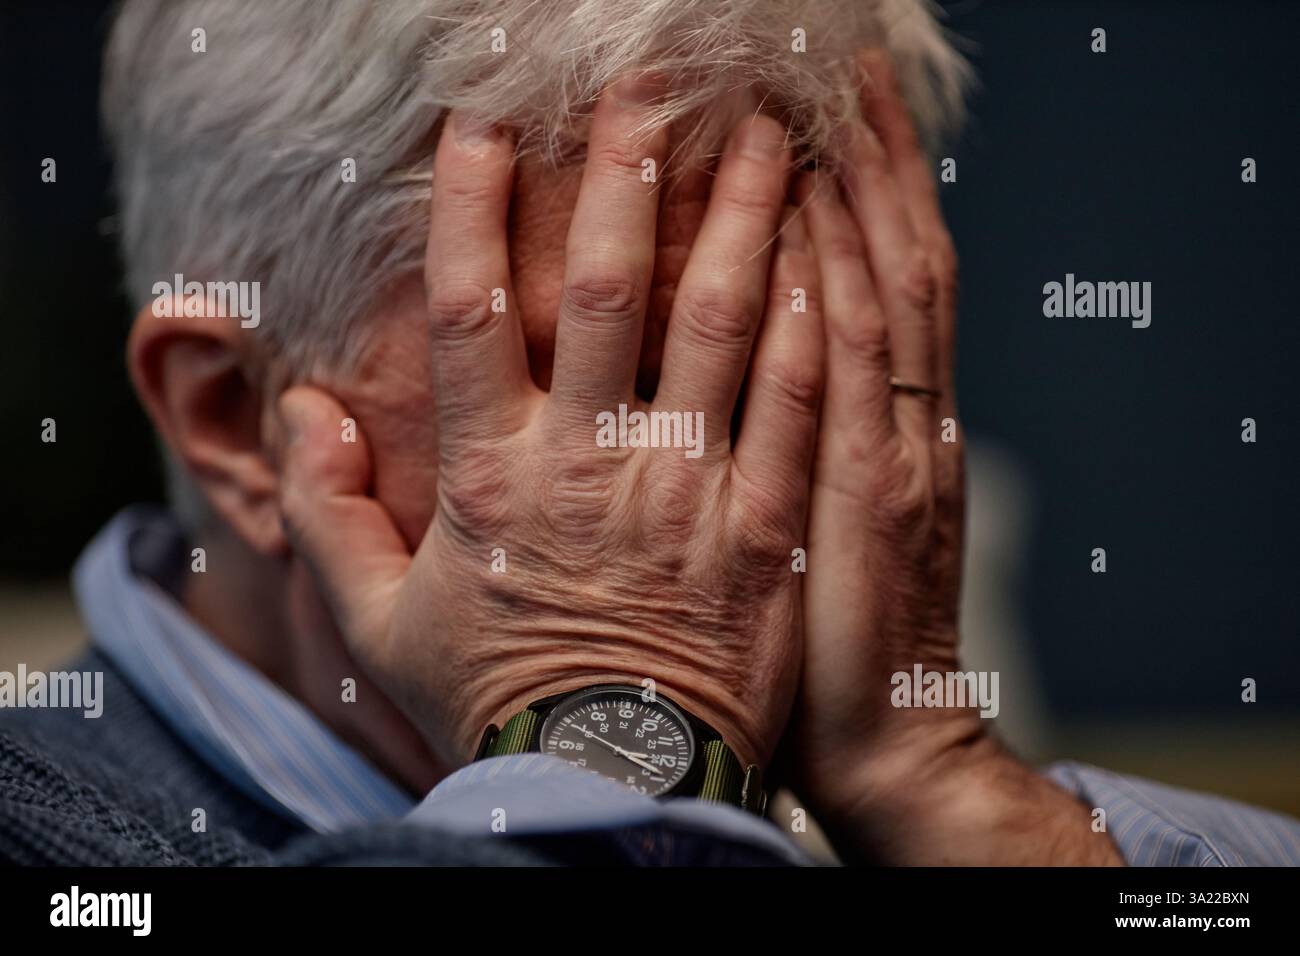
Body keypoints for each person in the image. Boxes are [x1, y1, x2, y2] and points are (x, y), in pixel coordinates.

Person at [2, 0, 1296, 867]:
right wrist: (604, 742)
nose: (749, 525)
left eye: (817, 367)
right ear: (232, 418)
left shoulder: (891, 793)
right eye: (626, 390)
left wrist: (953, 790)